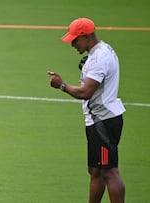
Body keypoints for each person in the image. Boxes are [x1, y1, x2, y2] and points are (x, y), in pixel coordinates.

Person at [48, 18, 125, 203]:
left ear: (86, 36)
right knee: (96, 170)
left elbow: (85, 92)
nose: (73, 44)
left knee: (109, 171)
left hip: (103, 122)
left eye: (75, 40)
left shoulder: (100, 58)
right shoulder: (99, 52)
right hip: (97, 120)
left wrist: (61, 85)